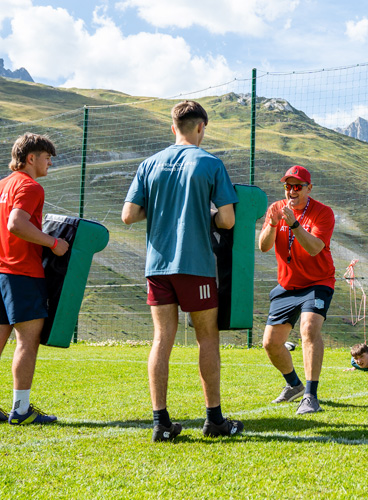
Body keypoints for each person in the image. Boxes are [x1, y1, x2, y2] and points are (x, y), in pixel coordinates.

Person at [122, 100, 242, 441]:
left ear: (173, 127)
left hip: (157, 266)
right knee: (207, 338)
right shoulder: (210, 163)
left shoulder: (149, 164)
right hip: (196, 264)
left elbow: (128, 215)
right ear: (200, 127)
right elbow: (228, 220)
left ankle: (161, 423)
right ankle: (214, 420)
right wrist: (206, 215)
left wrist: (160, 209)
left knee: (162, 340)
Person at [0, 133, 69, 425]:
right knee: (27, 341)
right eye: (46, 157)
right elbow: (16, 224)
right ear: (31, 158)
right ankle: (21, 410)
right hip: (22, 274)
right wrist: (53, 243)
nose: (50, 163)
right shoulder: (30, 186)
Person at [259, 165, 335, 415]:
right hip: (287, 285)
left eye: (297, 186)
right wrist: (272, 223)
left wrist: (294, 226)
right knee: (270, 343)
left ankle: (311, 396)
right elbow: (263, 247)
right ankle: (294, 385)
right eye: (288, 186)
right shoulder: (276, 208)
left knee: (309, 329)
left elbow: (314, 247)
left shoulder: (323, 213)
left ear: (309, 188)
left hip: (318, 282)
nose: (291, 191)